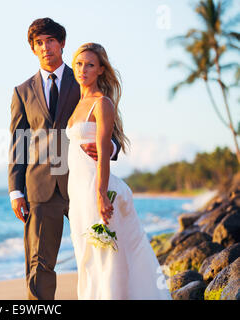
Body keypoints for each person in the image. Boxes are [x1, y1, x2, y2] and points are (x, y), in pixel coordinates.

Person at [8, 18, 121, 300]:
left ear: (62, 44)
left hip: (83, 182)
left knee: (98, 251)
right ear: (33, 49)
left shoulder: (82, 76)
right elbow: (18, 143)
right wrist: (15, 190)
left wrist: (112, 148)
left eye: (50, 41)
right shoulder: (22, 92)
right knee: (39, 263)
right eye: (39, 43)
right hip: (40, 187)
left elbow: (106, 123)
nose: (45, 47)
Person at [66, 42, 171, 299]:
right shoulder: (76, 103)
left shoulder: (101, 104)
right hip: (77, 194)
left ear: (101, 69)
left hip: (95, 188)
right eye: (79, 64)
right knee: (87, 256)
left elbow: (103, 154)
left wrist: (101, 194)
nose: (83, 70)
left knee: (105, 257)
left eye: (90, 65)